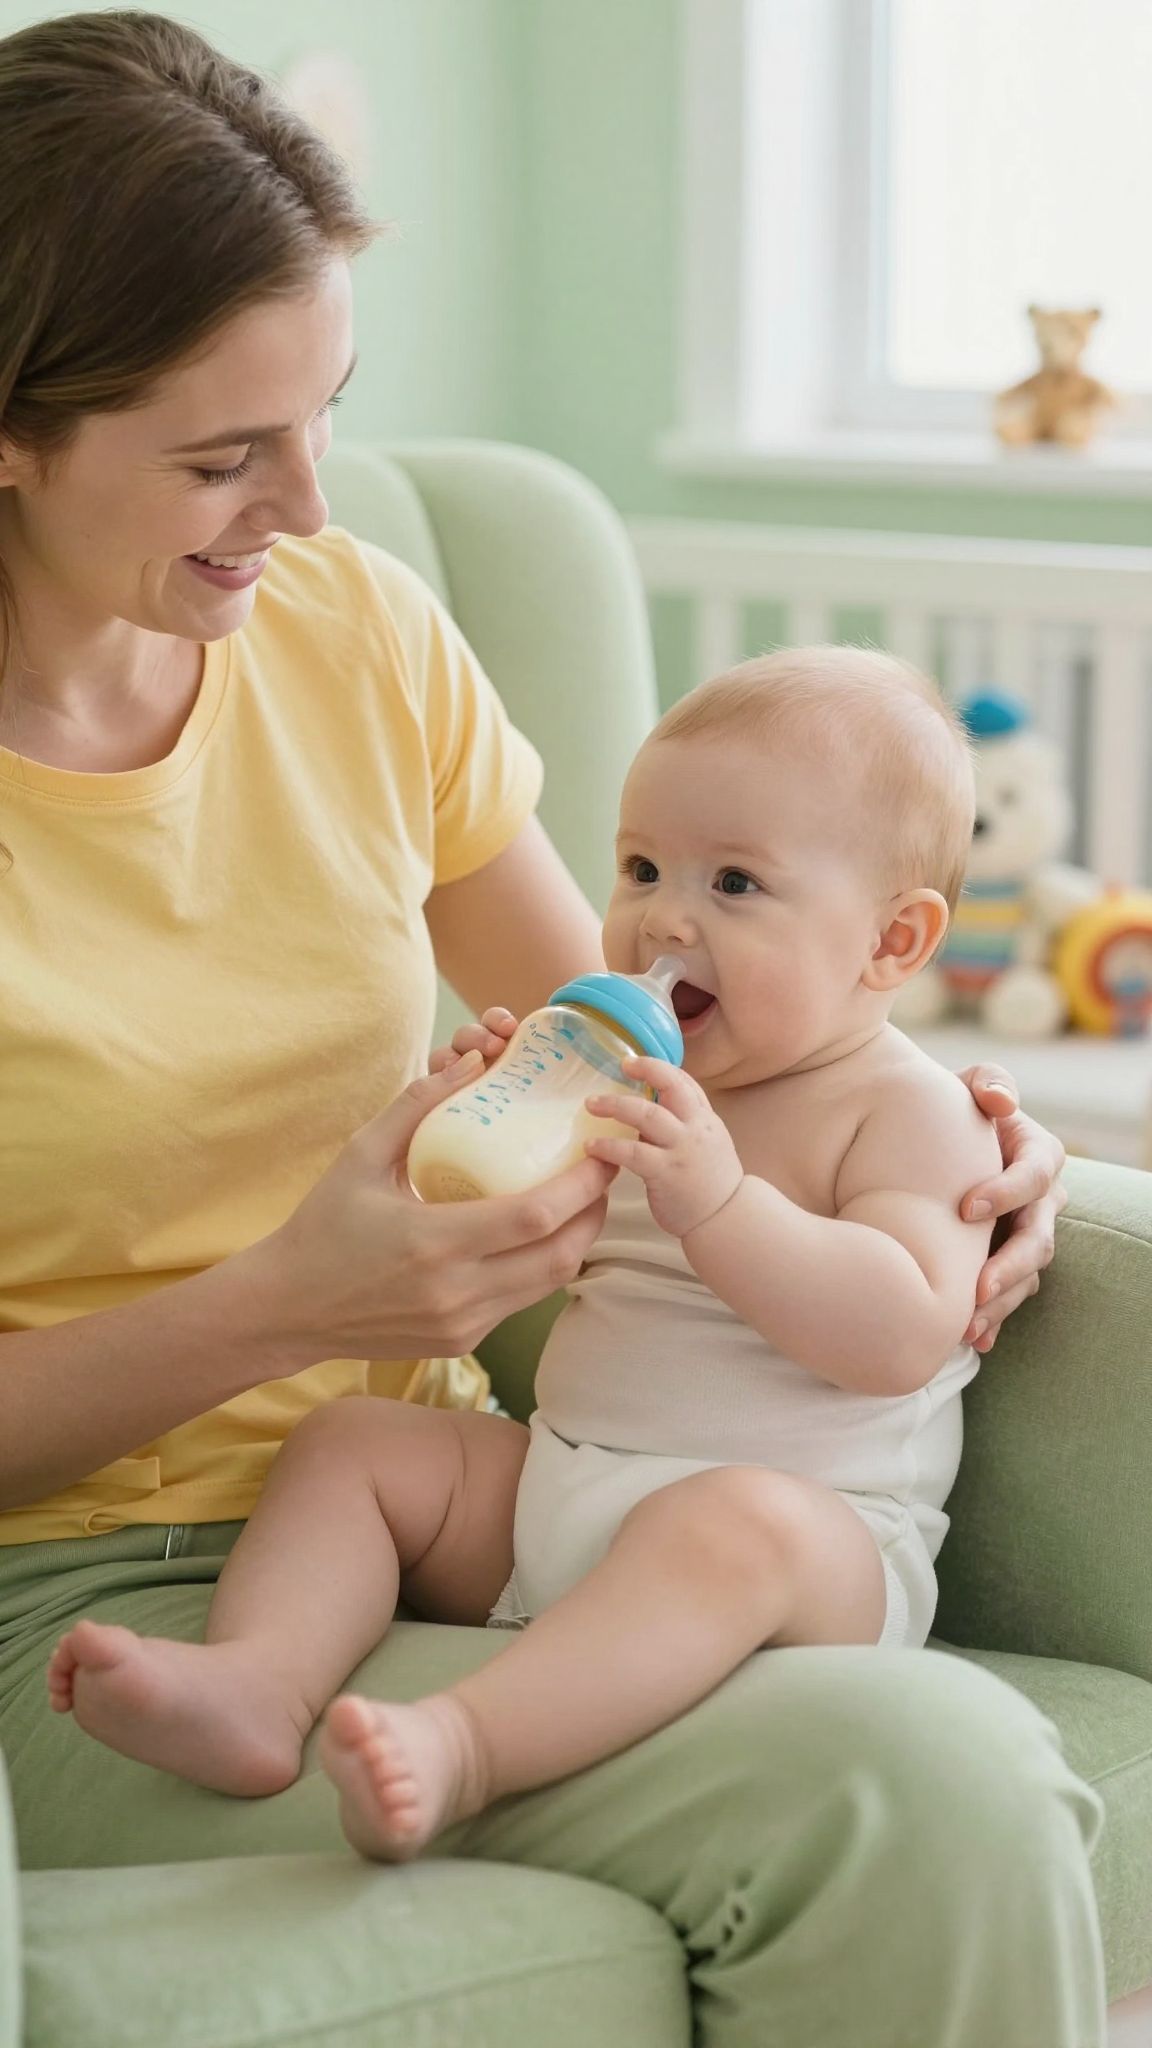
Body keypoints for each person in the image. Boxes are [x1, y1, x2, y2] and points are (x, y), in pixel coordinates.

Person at [0, 13, 1105, 2048]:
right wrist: (275, 1305)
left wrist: (943, 1144)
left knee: (930, 1784)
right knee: (919, 1787)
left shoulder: (345, 635)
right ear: (13, 428)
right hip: (56, 1610)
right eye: (224, 455)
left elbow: (642, 1037)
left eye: (330, 413)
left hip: (474, 1502)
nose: (315, 510)